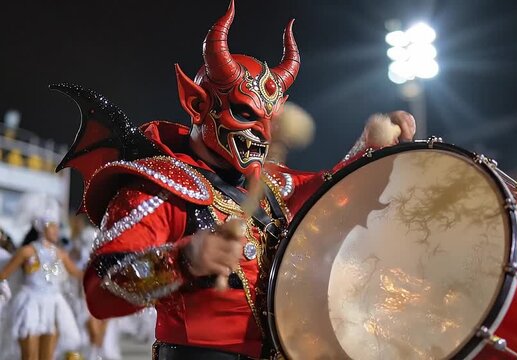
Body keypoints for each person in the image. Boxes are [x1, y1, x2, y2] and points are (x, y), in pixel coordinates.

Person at [54, 1, 416, 359]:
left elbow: (328, 190)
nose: (262, 131)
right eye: (245, 113)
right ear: (197, 105)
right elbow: (100, 289)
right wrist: (184, 260)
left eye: (270, 118)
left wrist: (368, 148)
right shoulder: (158, 186)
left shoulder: (270, 187)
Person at [0, 194, 83, 360]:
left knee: (47, 357)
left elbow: (79, 274)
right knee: (29, 356)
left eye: (57, 226)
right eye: (52, 226)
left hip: (53, 306)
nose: (56, 230)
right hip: (29, 305)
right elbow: (3, 274)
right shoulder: (27, 252)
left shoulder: (60, 254)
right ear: (41, 227)